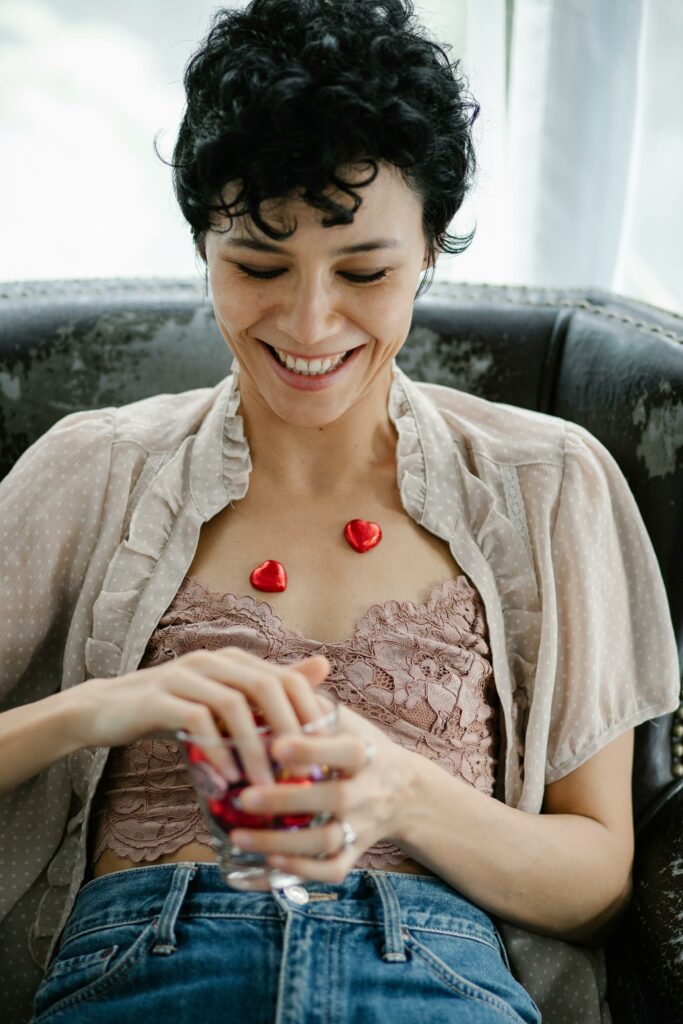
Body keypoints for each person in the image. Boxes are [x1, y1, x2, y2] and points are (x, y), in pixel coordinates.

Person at [0, 1, 679, 1022]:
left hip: (433, 980)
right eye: (257, 267)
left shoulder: (549, 481)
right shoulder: (91, 469)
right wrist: (106, 705)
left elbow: (597, 882)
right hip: (144, 965)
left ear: (432, 251)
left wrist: (399, 790)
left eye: (363, 271)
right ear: (201, 244)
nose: (309, 322)